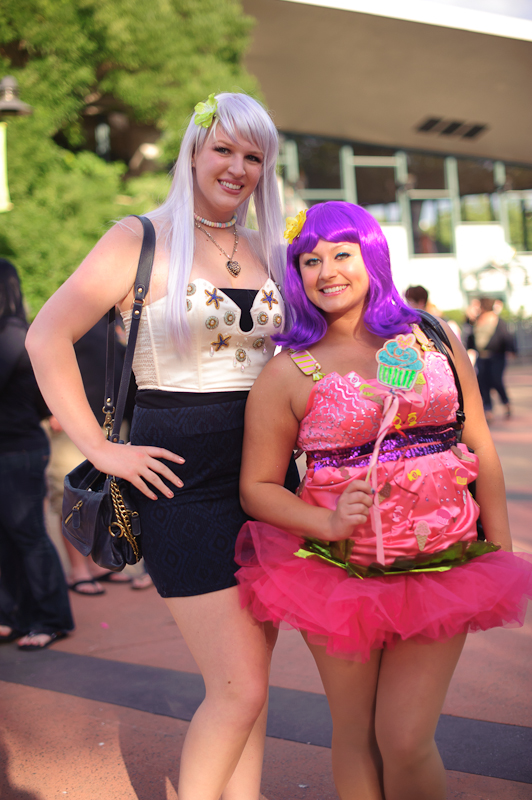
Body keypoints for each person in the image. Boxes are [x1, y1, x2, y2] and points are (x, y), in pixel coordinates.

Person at [27, 92, 297, 800]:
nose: (237, 168)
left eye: (253, 156)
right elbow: (46, 336)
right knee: (238, 688)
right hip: (180, 482)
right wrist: (99, 447)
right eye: (224, 149)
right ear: (194, 150)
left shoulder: (269, 247)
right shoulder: (138, 238)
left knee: (252, 686)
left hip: (270, 483)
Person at [235, 202, 532, 800]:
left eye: (341, 254)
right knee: (355, 732)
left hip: (442, 563)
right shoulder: (287, 373)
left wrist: (497, 546)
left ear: (371, 256)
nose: (326, 271)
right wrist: (325, 519)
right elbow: (256, 487)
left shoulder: (431, 337)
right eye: (309, 260)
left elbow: (479, 441)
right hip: (335, 572)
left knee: (404, 738)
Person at [0, 259, 74, 650]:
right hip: (13, 447)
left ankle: (51, 619)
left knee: (28, 535)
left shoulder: (13, 336)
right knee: (7, 538)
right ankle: (13, 615)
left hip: (19, 449)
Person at [474, 297, 515, 419]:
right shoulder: (476, 320)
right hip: (482, 356)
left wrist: (511, 350)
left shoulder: (497, 320)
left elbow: (506, 336)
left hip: (497, 356)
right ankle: (488, 409)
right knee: (483, 382)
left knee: (496, 380)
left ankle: (506, 403)